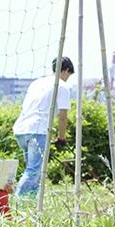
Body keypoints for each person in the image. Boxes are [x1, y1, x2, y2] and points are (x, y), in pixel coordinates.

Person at [13, 57, 74, 197]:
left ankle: (31, 202)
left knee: (33, 170)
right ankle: (18, 203)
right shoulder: (62, 85)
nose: (67, 79)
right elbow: (63, 115)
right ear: (65, 70)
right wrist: (61, 137)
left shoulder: (37, 82)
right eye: (68, 75)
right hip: (38, 130)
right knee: (33, 170)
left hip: (22, 129)